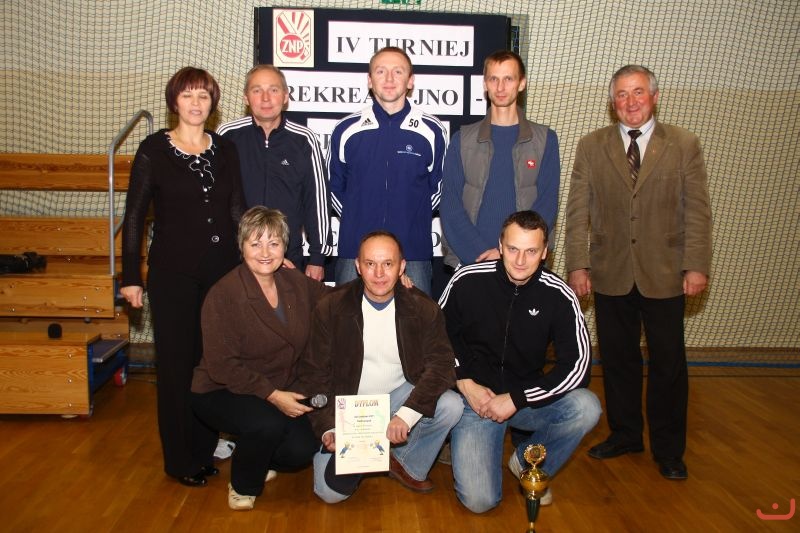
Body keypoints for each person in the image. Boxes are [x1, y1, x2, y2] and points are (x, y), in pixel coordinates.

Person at [564, 65, 712, 481]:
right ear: (612, 102)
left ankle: (669, 450)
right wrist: (577, 264)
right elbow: (577, 211)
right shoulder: (591, 146)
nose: (630, 102)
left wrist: (696, 265)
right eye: (622, 94)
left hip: (666, 273)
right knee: (618, 359)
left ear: (654, 97)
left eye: (638, 92)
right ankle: (626, 434)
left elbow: (697, 211)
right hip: (609, 272)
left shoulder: (683, 144)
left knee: (668, 363)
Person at [120, 67, 246, 487]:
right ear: (174, 101)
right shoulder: (153, 150)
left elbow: (237, 209)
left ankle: (203, 450)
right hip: (172, 274)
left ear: (213, 104)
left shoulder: (226, 149)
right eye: (188, 95)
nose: (196, 103)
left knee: (210, 365)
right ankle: (179, 460)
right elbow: (134, 216)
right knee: (176, 367)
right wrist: (130, 276)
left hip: (221, 273)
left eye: (203, 96)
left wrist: (254, 260)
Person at [439, 210, 600, 513]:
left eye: (531, 251)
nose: (521, 261)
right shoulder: (467, 279)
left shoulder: (560, 294)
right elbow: (437, 334)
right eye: (513, 249)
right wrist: (464, 381)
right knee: (480, 502)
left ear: (545, 252)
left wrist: (517, 398)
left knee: (586, 407)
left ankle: (528, 461)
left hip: (525, 401)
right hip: (477, 401)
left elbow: (578, 366)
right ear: (500, 246)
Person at [297, 231, 462, 503]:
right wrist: (328, 427)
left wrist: (407, 414)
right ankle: (372, 452)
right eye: (370, 263)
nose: (379, 273)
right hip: (347, 408)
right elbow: (313, 373)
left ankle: (402, 461)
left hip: (397, 399)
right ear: (358, 266)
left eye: (388, 263)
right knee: (330, 494)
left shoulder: (422, 307)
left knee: (451, 405)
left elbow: (442, 365)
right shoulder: (331, 306)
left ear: (402, 266)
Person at [191, 207, 326, 510]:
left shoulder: (294, 281)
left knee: (302, 449)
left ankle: (258, 456)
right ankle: (243, 484)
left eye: (274, 243)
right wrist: (274, 395)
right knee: (267, 424)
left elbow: (336, 299)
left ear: (284, 247)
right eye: (255, 244)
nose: (265, 253)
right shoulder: (224, 293)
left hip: (274, 386)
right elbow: (222, 366)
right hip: (220, 389)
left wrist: (381, 285)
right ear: (241, 247)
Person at [328, 46, 448, 295]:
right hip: (355, 250)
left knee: (417, 319)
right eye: (381, 71)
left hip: (412, 252)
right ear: (369, 80)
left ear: (410, 81)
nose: (389, 78)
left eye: (398, 71)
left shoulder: (432, 130)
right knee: (346, 319)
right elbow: (333, 186)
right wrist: (357, 217)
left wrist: (412, 218)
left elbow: (441, 187)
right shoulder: (346, 129)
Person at [440, 50, 560, 270]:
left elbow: (547, 203)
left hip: (523, 263)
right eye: (494, 79)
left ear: (521, 83)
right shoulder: (462, 139)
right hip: (473, 260)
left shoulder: (545, 140)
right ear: (485, 84)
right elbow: (450, 205)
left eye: (508, 79)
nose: (500, 87)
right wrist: (482, 254)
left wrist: (511, 253)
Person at [217, 64, 332, 281]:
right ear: (246, 98)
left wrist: (317, 257)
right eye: (257, 90)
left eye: (274, 90)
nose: (266, 98)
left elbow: (316, 201)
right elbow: (216, 200)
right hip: (236, 259)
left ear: (286, 96)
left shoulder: (304, 140)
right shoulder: (227, 136)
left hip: (289, 258)